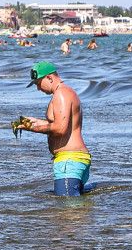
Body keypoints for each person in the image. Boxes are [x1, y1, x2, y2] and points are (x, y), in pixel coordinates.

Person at [13, 62, 91, 195]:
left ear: (49, 78)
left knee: (67, 210)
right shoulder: (67, 92)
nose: (38, 88)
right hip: (75, 159)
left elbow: (60, 129)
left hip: (69, 161)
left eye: (38, 83)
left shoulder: (61, 94)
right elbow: (62, 123)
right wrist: (35, 122)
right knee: (75, 210)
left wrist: (30, 127)